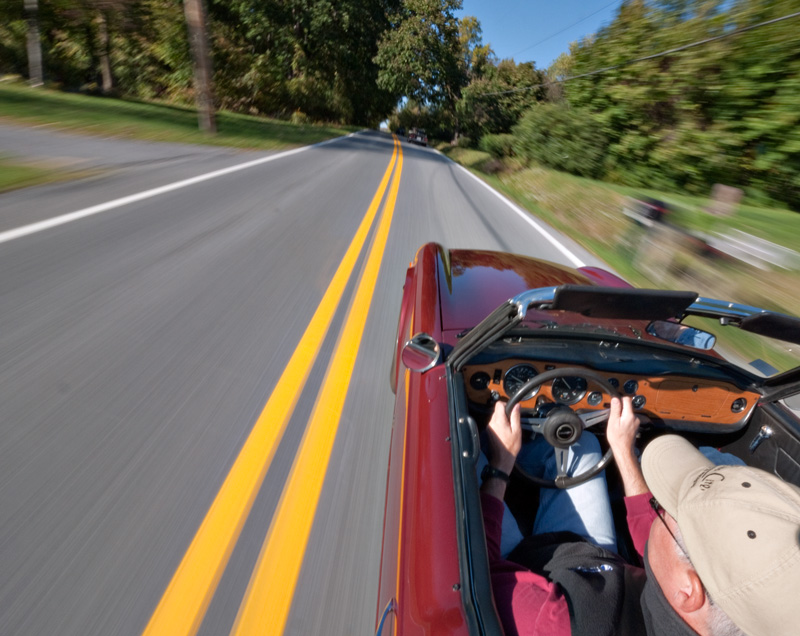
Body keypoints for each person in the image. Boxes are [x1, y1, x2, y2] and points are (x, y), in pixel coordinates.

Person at [480, 397, 800, 636]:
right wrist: (622, 450)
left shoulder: (553, 623)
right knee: (584, 445)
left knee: (466, 469)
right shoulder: (694, 603)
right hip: (598, 563)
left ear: (689, 591)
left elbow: (477, 566)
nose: (660, 510)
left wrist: (500, 465)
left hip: (516, 566)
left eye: (672, 510)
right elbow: (662, 549)